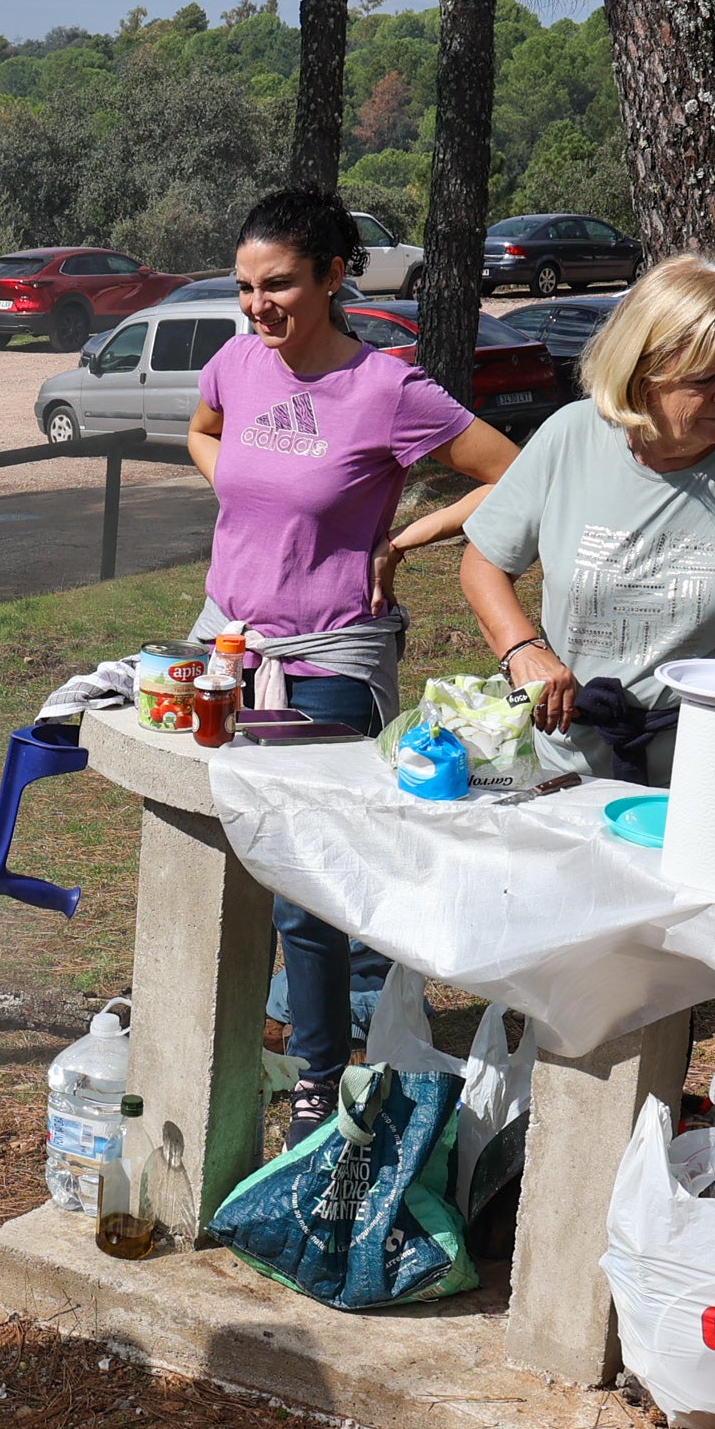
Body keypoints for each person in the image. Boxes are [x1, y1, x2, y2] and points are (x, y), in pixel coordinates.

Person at [185, 186, 518, 1134]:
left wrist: (403, 539)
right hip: (227, 644)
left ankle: (317, 1084)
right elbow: (202, 432)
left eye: (279, 284)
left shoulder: (387, 390)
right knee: (223, 851)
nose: (258, 307)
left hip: (332, 652)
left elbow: (512, 471)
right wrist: (252, 497)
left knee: (305, 880)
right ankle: (228, 1038)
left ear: (335, 276)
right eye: (246, 287)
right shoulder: (238, 363)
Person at [457, 255, 715, 781]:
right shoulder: (570, 437)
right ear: (641, 373)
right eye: (705, 378)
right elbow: (484, 562)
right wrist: (521, 649)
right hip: (571, 767)